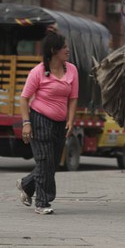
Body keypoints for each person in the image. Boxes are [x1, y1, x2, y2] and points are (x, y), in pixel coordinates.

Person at [16, 31, 78, 215]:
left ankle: (27, 184)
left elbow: (73, 98)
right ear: (54, 50)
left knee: (52, 163)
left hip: (60, 123)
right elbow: (24, 98)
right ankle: (42, 202)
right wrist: (26, 123)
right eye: (64, 47)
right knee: (44, 161)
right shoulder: (38, 72)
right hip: (39, 119)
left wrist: (71, 120)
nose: (68, 50)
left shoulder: (72, 70)